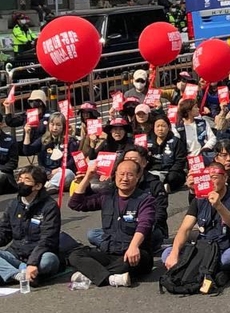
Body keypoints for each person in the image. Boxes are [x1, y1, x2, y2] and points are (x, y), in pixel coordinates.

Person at [162, 161, 230, 291]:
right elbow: (185, 229)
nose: (211, 181)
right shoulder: (199, 199)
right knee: (167, 253)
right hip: (206, 249)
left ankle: (203, 269)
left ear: (225, 177)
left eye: (214, 177)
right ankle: (210, 271)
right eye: (207, 178)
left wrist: (219, 206)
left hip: (228, 247)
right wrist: (175, 253)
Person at [68, 158, 156, 288]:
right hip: (109, 251)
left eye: (130, 174)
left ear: (138, 177)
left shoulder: (145, 200)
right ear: (115, 175)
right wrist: (87, 177)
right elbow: (75, 204)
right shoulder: (107, 196)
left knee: (128, 263)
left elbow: (145, 224)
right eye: (121, 174)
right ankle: (111, 278)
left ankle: (92, 275)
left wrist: (133, 246)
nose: (125, 178)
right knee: (75, 255)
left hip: (133, 253)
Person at [0, 166, 61, 285]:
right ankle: (18, 275)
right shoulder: (13, 204)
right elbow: (4, 232)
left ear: (37, 186)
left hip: (40, 256)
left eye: (26, 180)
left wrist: (32, 263)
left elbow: (47, 239)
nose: (21, 182)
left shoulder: (49, 206)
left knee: (47, 261)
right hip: (15, 255)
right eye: (20, 179)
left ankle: (11, 272)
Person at [148, 116, 187, 192]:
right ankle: (160, 187)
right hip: (154, 170)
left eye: (163, 126)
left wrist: (172, 171)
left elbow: (180, 161)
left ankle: (163, 186)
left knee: (173, 177)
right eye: (157, 126)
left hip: (171, 171)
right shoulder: (148, 141)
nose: (160, 129)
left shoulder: (176, 141)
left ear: (169, 127)